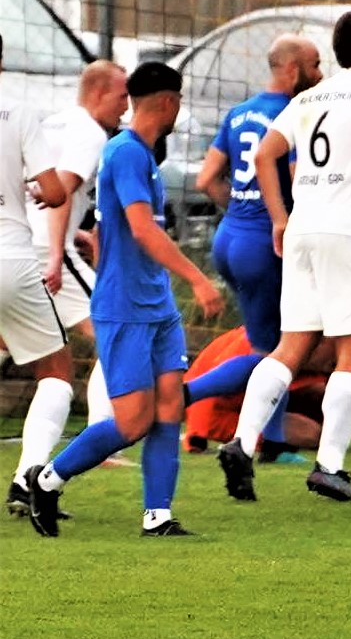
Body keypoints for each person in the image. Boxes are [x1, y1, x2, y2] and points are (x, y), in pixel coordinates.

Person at [218, 9, 351, 504]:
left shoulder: (309, 97)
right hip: (347, 231)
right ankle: (329, 466)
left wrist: (279, 217)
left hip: (303, 229)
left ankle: (242, 442)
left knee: (290, 346)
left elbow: (265, 154)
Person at [23, 62, 226, 538]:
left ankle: (157, 516)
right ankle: (47, 479)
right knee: (133, 421)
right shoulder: (125, 152)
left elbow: (108, 226)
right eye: (180, 101)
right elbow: (141, 230)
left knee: (169, 407)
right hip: (124, 309)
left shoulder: (142, 155)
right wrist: (198, 279)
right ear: (169, 102)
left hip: (157, 305)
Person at [182, 35, 324, 458]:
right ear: (293, 70)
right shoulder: (294, 112)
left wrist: (242, 210)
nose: (321, 75)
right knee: (275, 353)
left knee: (274, 347)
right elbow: (297, 178)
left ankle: (272, 442)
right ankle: (184, 395)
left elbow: (206, 179)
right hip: (265, 245)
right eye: (315, 65)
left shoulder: (239, 112)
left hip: (230, 238)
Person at [8, 59, 127, 514]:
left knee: (21, 346)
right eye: (122, 96)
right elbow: (61, 193)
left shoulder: (53, 120)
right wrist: (58, 252)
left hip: (26, 244)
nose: (126, 106)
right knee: (113, 333)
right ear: (99, 93)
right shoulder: (89, 133)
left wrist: (73, 231)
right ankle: (100, 437)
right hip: (35, 251)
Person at [2, 40, 75, 519]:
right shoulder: (18, 111)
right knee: (56, 371)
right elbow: (54, 190)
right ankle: (27, 477)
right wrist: (34, 189)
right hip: (8, 257)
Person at [183, 325, 351, 456]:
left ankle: (274, 439)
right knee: (313, 435)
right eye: (334, 352)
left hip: (267, 398)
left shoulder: (311, 356)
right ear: (318, 343)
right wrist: (197, 436)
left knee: (325, 396)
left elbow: (347, 380)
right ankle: (267, 443)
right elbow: (207, 386)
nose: (337, 360)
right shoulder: (254, 345)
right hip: (222, 412)